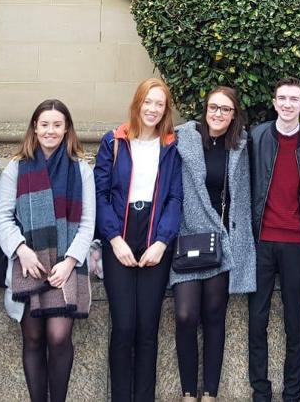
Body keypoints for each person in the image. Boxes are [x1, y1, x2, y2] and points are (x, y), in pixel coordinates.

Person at [0, 99, 95, 402]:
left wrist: (69, 262)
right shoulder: (16, 167)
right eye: (44, 124)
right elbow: (3, 216)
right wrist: (21, 250)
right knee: (34, 339)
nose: (50, 130)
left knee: (59, 336)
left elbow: (88, 224)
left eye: (57, 124)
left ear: (67, 129)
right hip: (30, 264)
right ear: (35, 129)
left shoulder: (82, 170)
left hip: (67, 265)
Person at [94, 77, 184, 402]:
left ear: (165, 110)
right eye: (148, 102)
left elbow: (175, 198)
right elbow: (100, 194)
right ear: (138, 103)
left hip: (154, 239)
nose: (153, 109)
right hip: (119, 234)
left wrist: (162, 242)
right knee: (124, 328)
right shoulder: (114, 141)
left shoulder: (171, 146)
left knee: (147, 330)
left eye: (159, 104)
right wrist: (114, 238)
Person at [171, 87, 257, 402]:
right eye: (212, 108)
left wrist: (239, 241)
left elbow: (243, 198)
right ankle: (187, 392)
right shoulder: (185, 139)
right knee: (185, 315)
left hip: (221, 242)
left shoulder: (241, 146)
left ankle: (209, 393)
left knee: (213, 315)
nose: (217, 114)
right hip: (187, 238)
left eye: (224, 109)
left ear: (234, 114)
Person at [248, 77, 300, 402]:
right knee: (257, 320)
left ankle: (293, 393)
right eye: (282, 98)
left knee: (295, 323)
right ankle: (260, 392)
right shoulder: (257, 136)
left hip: (297, 243)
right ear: (275, 101)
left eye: (295, 99)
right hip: (262, 241)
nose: (288, 104)